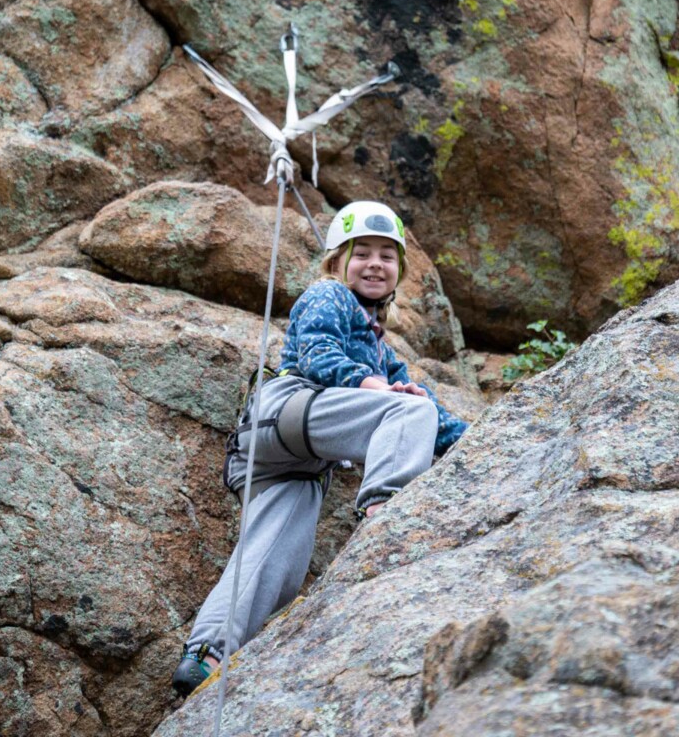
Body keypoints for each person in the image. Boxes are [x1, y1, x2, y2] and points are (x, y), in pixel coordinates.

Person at [171, 201, 469, 696]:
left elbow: (431, 421)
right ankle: (385, 508)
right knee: (406, 410)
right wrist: (375, 387)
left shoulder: (380, 348)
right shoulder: (327, 295)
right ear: (336, 263)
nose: (375, 263)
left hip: (291, 462)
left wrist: (480, 439)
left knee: (274, 563)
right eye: (363, 253)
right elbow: (317, 355)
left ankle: (206, 654)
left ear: (398, 274)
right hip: (287, 410)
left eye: (387, 256)